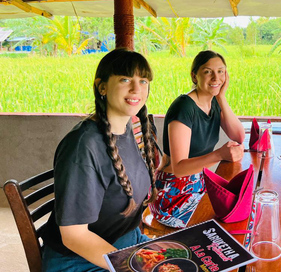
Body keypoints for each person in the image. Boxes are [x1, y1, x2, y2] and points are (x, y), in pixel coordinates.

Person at [41, 49, 158, 271]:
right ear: (102, 86)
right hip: (81, 259)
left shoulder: (125, 130)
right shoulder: (82, 147)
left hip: (126, 243)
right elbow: (74, 236)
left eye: (143, 81)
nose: (136, 88)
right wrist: (129, 266)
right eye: (125, 79)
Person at [149, 50, 245, 228]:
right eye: (208, 71)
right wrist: (218, 155)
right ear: (194, 76)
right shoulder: (184, 107)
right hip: (172, 196)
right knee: (222, 227)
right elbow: (179, 168)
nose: (216, 77)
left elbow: (238, 136)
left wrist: (221, 97)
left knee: (240, 212)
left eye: (221, 71)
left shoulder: (213, 102)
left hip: (199, 185)